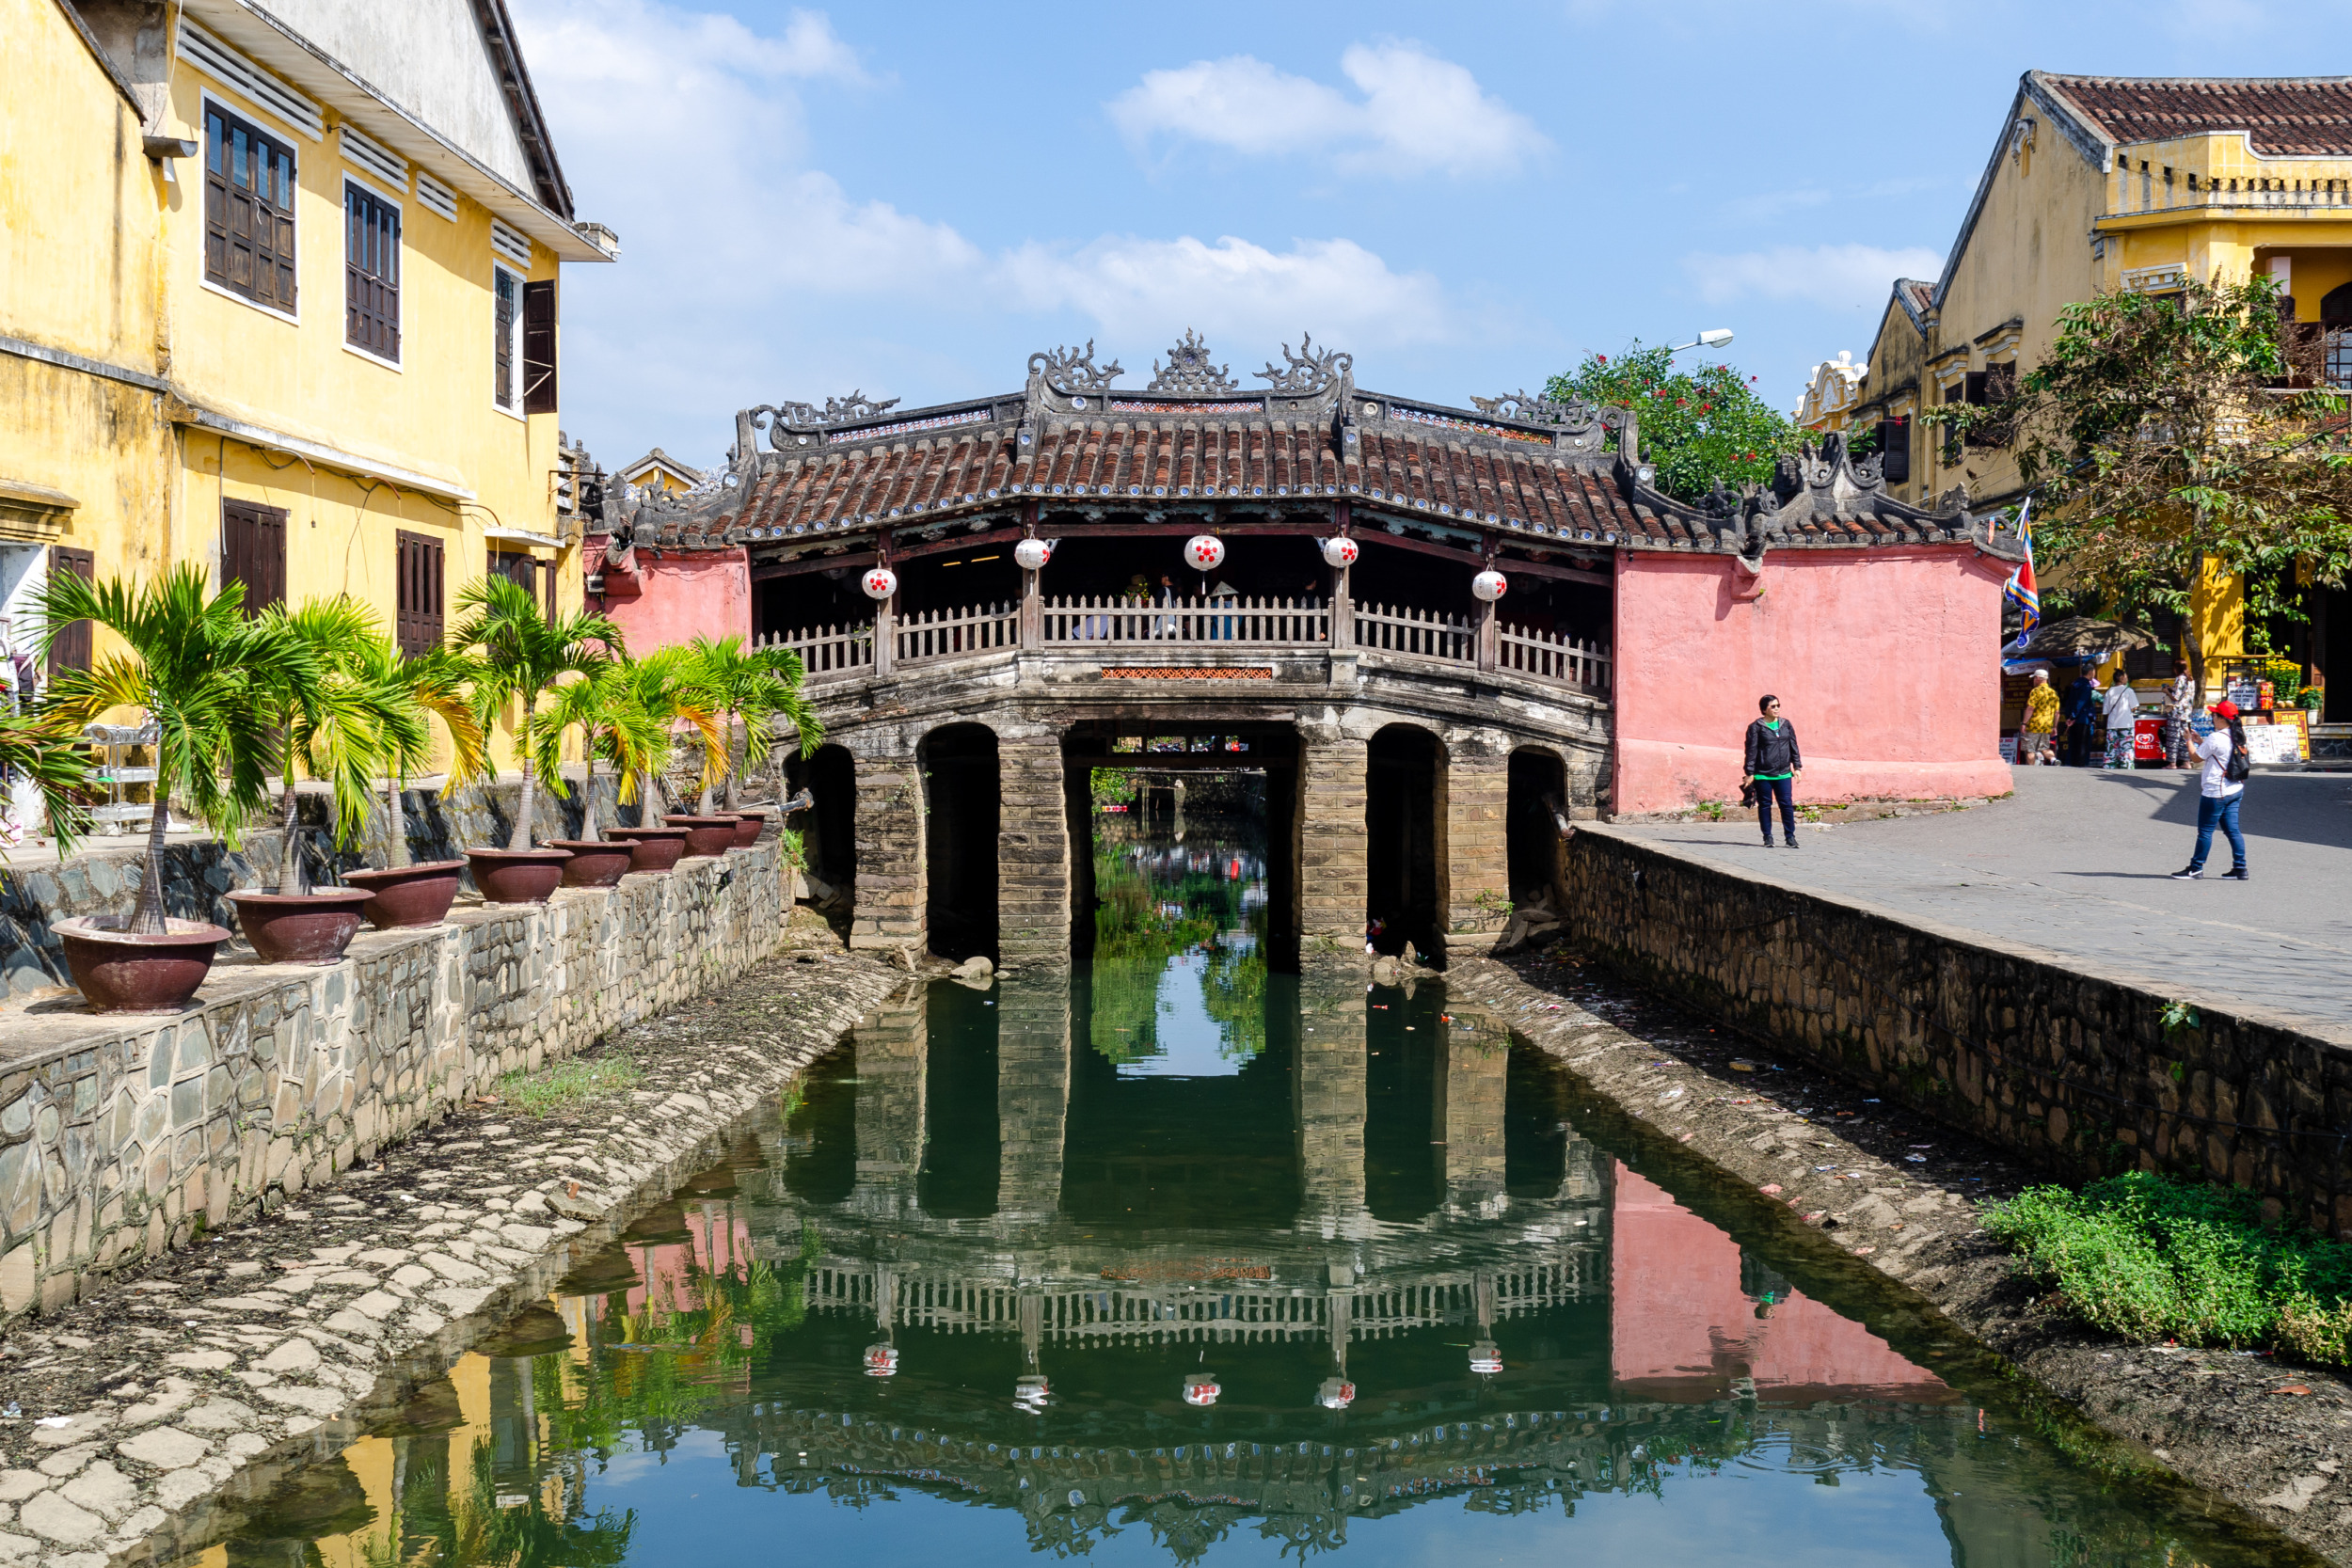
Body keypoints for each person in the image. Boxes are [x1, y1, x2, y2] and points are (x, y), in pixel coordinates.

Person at [2172, 699, 2249, 880]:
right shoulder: (2238, 735)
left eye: (2214, 715)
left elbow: (2195, 758)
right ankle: (2240, 868)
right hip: (2235, 789)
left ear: (2221, 718)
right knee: (2233, 830)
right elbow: (2216, 752)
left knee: (2205, 831)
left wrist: (2189, 740)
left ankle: (2196, 868)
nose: (2212, 717)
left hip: (2216, 791)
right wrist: (2201, 741)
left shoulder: (2216, 737)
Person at [1741, 694, 1803, 847]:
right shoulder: (1756, 727)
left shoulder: (1786, 724)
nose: (1777, 709)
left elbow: (1793, 746)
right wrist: (1749, 773)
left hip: (1783, 773)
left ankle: (1790, 837)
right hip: (1763, 774)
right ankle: (1767, 837)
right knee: (1765, 805)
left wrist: (1797, 767)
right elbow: (1751, 751)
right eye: (1773, 706)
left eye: (1778, 705)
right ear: (1764, 709)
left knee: (1786, 804)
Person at [2017, 670, 2058, 765]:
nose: (2034, 680)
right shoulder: (2053, 693)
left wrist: (2024, 723)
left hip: (2034, 725)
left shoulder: (2036, 691)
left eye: (2034, 678)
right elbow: (2057, 712)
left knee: (2030, 749)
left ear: (2038, 678)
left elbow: (2030, 708)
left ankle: (2032, 770)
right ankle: (2053, 760)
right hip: (2047, 726)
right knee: (2045, 748)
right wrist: (2054, 727)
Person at [2061, 670, 2099, 767]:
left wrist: (2069, 717)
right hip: (2083, 718)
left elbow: (2069, 701)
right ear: (2090, 672)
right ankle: (2081, 764)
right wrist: (2074, 715)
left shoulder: (2075, 684)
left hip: (2073, 720)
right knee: (2083, 745)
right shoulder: (2086, 686)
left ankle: (2071, 763)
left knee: (2073, 743)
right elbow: (2081, 702)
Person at [2102, 674, 2140, 769]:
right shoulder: (2129, 691)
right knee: (2126, 748)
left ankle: (2110, 766)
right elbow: (2134, 707)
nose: (2127, 679)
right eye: (2126, 677)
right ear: (2122, 678)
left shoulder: (2109, 692)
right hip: (2126, 723)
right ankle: (2126, 766)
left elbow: (2105, 711)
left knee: (2111, 748)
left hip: (2112, 724)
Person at [2164, 663, 2197, 769]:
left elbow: (2176, 697)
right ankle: (2186, 762)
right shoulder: (2191, 680)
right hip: (2186, 713)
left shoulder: (2180, 678)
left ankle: (2172, 764)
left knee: (2173, 738)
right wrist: (2172, 688)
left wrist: (2166, 691)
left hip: (2176, 712)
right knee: (2184, 738)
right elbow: (2185, 694)